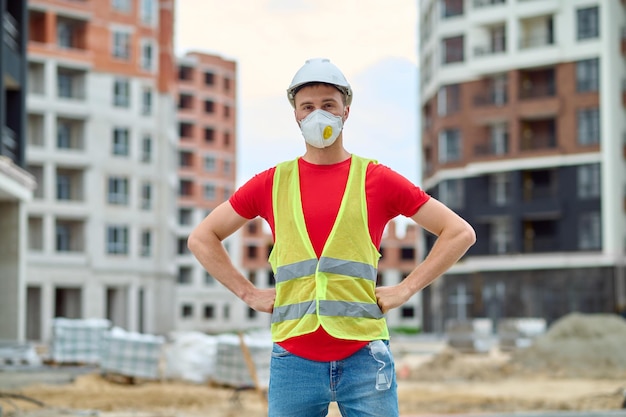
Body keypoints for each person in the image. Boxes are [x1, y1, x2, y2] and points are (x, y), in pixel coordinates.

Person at [187, 57, 476, 417]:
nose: (318, 114)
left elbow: (459, 232)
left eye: (328, 105)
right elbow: (202, 237)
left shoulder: (376, 179)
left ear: (346, 112)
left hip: (365, 357)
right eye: (307, 106)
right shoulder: (272, 183)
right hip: (294, 359)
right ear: (296, 114)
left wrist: (405, 288)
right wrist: (247, 292)